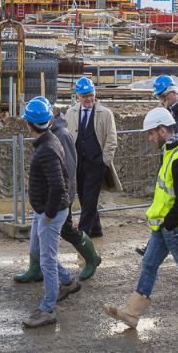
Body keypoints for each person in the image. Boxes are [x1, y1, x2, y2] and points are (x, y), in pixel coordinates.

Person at [103, 108, 178, 337]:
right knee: (149, 264)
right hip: (164, 226)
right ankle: (131, 312)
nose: (149, 138)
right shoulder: (172, 151)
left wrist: (170, 223)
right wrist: (164, 223)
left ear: (162, 130)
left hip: (175, 228)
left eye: (151, 133)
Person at [14, 96, 103, 283]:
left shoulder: (61, 135)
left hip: (60, 196)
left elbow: (69, 169)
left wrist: (65, 198)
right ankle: (35, 268)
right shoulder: (48, 134)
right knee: (43, 231)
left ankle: (92, 258)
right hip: (51, 196)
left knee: (68, 230)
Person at [21, 98, 78, 328]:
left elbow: (57, 185)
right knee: (37, 249)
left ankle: (47, 308)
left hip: (50, 212)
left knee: (47, 259)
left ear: (29, 124)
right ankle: (67, 281)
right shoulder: (49, 139)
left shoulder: (46, 148)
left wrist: (49, 215)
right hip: (44, 209)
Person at [64, 76, 119, 240]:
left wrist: (104, 160)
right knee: (83, 196)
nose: (89, 99)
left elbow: (112, 139)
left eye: (91, 95)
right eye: (85, 96)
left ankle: (83, 234)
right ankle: (96, 229)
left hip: (96, 164)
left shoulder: (105, 114)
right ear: (78, 97)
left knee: (89, 199)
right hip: (78, 163)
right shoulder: (71, 113)